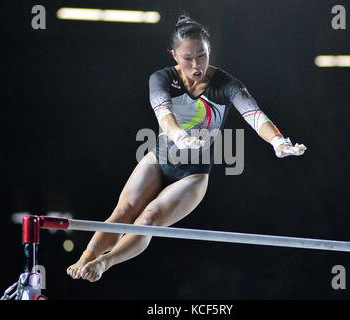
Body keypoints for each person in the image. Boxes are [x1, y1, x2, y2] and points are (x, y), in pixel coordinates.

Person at [66, 15, 306, 282]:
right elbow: (163, 114)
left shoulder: (226, 84)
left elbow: (254, 115)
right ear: (174, 55)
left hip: (192, 175)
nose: (196, 65)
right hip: (158, 159)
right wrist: (179, 136)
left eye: (202, 56)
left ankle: (104, 263)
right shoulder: (161, 78)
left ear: (209, 51)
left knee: (149, 220)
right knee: (123, 213)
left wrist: (277, 140)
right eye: (187, 57)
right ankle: (86, 257)